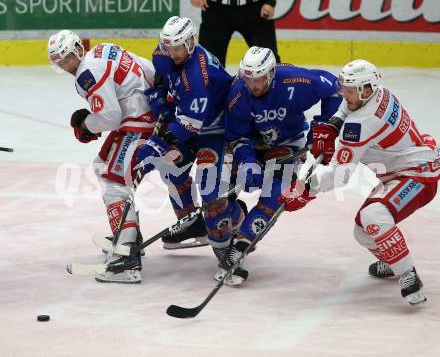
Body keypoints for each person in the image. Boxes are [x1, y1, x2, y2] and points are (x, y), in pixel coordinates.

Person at [47, 30, 207, 284]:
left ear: (78, 49)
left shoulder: (86, 74)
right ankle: (137, 233)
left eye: (68, 58)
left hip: (137, 124)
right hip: (151, 117)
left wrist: (87, 124)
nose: (66, 65)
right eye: (60, 62)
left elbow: (110, 116)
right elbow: (149, 71)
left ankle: (127, 258)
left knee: (114, 182)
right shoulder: (104, 48)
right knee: (105, 166)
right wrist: (160, 110)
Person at [280, 59, 440, 305]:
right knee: (362, 231)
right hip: (402, 170)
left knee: (373, 216)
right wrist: (333, 125)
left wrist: (306, 188)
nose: (344, 93)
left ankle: (408, 275)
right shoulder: (380, 93)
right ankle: (392, 260)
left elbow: (341, 175)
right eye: (344, 87)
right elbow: (346, 107)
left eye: (350, 89)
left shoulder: (360, 125)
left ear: (367, 89)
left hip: (418, 174)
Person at [136, 16, 248, 286]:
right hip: (189, 123)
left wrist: (160, 139)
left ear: (191, 43)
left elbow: (187, 129)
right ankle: (192, 223)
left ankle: (227, 242)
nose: (172, 53)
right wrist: (161, 102)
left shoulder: (199, 75)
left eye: (178, 48)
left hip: (214, 131)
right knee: (170, 168)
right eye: (169, 47)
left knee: (210, 192)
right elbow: (162, 82)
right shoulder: (164, 54)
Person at [224, 46, 342, 279]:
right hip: (253, 144)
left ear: (270, 74)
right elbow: (237, 136)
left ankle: (240, 245)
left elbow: (335, 88)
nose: (253, 85)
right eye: (248, 78)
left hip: (288, 141)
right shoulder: (237, 93)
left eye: (258, 78)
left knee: (277, 193)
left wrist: (324, 127)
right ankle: (231, 221)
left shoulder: (296, 81)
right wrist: (247, 161)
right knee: (220, 187)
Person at [190, 0, 280, 66]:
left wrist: (270, 1)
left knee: (269, 61)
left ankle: (276, 90)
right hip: (215, 11)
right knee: (208, 63)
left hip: (256, 9)